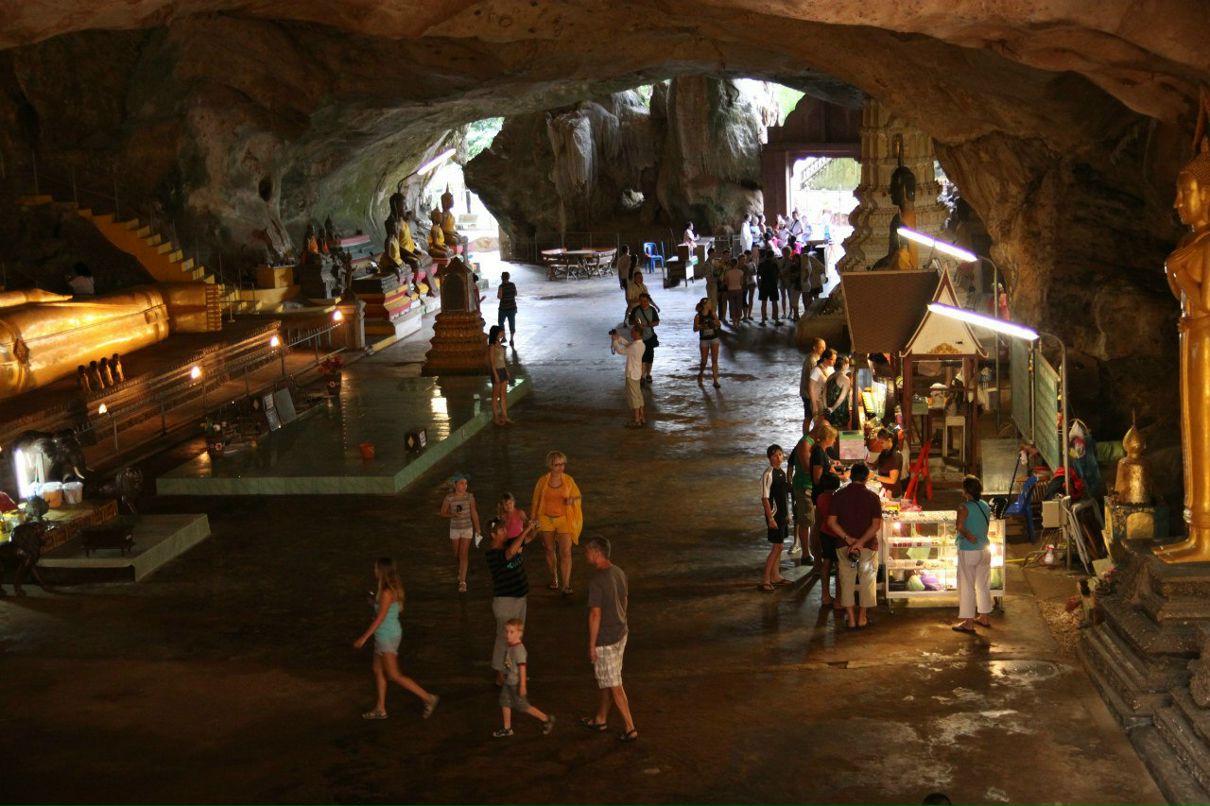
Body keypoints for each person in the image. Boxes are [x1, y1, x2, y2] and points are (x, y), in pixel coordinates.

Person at [354, 557, 440, 720]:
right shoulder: (388, 589)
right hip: (384, 635)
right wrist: (374, 603)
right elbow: (392, 611)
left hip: (387, 636)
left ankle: (428, 698)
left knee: (394, 675)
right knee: (378, 669)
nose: (374, 571)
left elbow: (380, 618)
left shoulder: (387, 592)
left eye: (376, 569)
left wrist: (364, 637)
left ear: (381, 571)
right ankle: (380, 708)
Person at [581, 536, 637, 742]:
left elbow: (595, 614)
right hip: (621, 633)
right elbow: (625, 600)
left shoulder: (597, 581)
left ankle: (630, 727)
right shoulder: (619, 572)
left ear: (597, 554)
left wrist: (592, 644)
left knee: (614, 684)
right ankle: (601, 718)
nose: (586, 554)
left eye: (588, 551)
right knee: (607, 679)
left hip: (606, 639)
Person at [826, 463, 882, 628]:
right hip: (867, 547)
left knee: (846, 580)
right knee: (867, 580)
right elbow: (876, 525)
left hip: (844, 546)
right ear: (866, 478)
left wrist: (848, 539)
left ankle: (850, 619)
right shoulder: (873, 497)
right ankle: (862, 617)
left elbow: (831, 522)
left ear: (851, 476)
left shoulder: (839, 495)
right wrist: (860, 542)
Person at [486, 505, 535, 684]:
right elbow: (511, 553)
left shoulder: (509, 543)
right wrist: (526, 531)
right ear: (493, 535)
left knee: (516, 638)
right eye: (501, 530)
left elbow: (529, 538)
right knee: (503, 638)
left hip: (519, 598)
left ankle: (513, 672)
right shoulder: (492, 554)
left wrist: (531, 524)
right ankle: (500, 674)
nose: (506, 531)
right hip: (506, 602)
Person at [530, 451, 583, 595]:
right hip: (546, 519)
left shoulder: (568, 480)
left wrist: (572, 500)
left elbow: (578, 496)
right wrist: (534, 518)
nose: (561, 467)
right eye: (557, 465)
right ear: (550, 466)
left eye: (562, 464)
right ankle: (554, 578)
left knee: (566, 552)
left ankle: (565, 584)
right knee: (549, 549)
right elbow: (536, 501)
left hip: (564, 519)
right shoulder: (542, 481)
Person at [494, 618, 556, 737]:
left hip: (515, 684)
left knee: (524, 706)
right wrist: (502, 674)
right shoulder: (510, 646)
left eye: (511, 632)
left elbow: (522, 668)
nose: (508, 634)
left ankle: (546, 718)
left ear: (519, 633)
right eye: (506, 631)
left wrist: (522, 685)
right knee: (504, 702)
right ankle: (507, 728)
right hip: (509, 682)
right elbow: (507, 663)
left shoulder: (519, 650)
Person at [952, 475, 994, 633]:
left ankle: (968, 622)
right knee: (983, 585)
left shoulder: (963, 507)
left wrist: (968, 536)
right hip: (984, 550)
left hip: (969, 550)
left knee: (967, 585)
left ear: (966, 491)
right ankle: (984, 617)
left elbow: (959, 526)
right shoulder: (985, 505)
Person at [440, 472, 481, 593]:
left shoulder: (470, 497)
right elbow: (442, 512)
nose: (465, 486)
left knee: (463, 554)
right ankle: (461, 570)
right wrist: (452, 514)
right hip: (455, 529)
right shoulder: (449, 498)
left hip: (467, 528)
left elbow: (474, 512)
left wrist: (477, 528)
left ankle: (462, 581)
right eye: (462, 483)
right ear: (455, 485)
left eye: (466, 483)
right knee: (456, 554)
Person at [759, 444, 791, 591]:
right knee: (777, 547)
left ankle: (776, 576)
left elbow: (783, 496)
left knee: (780, 546)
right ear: (769, 458)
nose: (778, 458)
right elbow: (765, 498)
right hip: (774, 516)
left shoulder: (781, 473)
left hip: (782, 515)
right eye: (774, 455)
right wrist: (770, 518)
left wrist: (788, 513)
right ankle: (765, 579)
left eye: (780, 454)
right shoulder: (768, 474)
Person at [813, 473, 844, 608]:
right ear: (837, 485)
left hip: (824, 533)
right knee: (839, 566)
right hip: (837, 535)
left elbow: (818, 520)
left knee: (826, 563)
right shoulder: (838, 498)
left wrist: (816, 536)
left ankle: (825, 596)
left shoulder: (820, 498)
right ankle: (838, 599)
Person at [610, 325, 647, 427]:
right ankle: (642, 417)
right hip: (637, 373)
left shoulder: (634, 347)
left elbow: (620, 351)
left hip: (631, 374)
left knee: (633, 397)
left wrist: (615, 341)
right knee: (638, 396)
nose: (631, 333)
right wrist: (619, 338)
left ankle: (636, 420)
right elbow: (628, 344)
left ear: (637, 333)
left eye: (632, 332)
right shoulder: (641, 345)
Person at [628, 293, 660, 385]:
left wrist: (649, 324)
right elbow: (630, 321)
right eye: (641, 301)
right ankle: (641, 376)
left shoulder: (652, 310)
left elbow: (657, 322)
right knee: (641, 358)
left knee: (649, 358)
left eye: (645, 301)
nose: (643, 303)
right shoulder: (636, 310)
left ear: (648, 301)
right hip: (639, 338)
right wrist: (636, 323)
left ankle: (648, 374)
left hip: (649, 337)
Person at [799, 337, 826, 434]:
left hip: (807, 392)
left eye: (824, 347)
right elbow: (812, 381)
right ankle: (807, 437)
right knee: (809, 417)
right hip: (808, 394)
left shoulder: (814, 358)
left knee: (810, 417)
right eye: (821, 347)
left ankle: (807, 437)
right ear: (815, 348)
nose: (823, 349)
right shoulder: (812, 361)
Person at [487, 326, 512, 426]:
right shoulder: (492, 346)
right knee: (495, 395)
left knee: (503, 395)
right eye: (501, 332)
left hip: (502, 370)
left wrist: (506, 371)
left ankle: (505, 416)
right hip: (496, 371)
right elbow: (492, 362)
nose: (503, 334)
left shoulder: (500, 344)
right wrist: (495, 374)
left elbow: (503, 360)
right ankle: (496, 417)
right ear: (496, 333)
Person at [694, 297, 722, 388]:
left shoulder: (713, 314)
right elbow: (694, 329)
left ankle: (715, 380)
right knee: (704, 361)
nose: (711, 305)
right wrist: (702, 326)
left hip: (714, 338)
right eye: (709, 303)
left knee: (714, 360)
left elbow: (719, 324)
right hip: (704, 339)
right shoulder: (698, 316)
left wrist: (714, 323)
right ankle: (701, 373)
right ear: (704, 305)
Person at [808, 349, 837, 429]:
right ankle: (813, 440)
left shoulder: (831, 369)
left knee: (825, 425)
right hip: (817, 401)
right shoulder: (816, 370)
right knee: (819, 425)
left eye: (835, 359)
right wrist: (814, 405)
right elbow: (810, 387)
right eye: (832, 359)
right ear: (825, 359)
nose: (834, 361)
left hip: (825, 401)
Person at [872, 428, 903, 498]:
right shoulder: (884, 452)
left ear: (889, 440)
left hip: (893, 493)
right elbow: (874, 465)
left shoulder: (895, 456)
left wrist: (874, 477)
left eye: (882, 442)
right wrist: (864, 463)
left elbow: (892, 480)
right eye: (879, 442)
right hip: (885, 489)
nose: (880, 445)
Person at [825, 355, 853, 429]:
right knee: (841, 432)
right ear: (844, 365)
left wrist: (827, 408)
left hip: (828, 410)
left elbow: (824, 394)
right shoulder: (846, 379)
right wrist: (832, 409)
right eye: (848, 364)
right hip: (840, 412)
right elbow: (841, 398)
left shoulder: (830, 377)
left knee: (831, 432)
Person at [756, 248, 781, 326]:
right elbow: (778, 275)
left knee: (764, 303)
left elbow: (758, 276)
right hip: (773, 285)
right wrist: (776, 283)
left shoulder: (761, 264)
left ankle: (763, 320)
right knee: (774, 302)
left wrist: (759, 285)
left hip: (764, 285)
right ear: (773, 256)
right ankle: (776, 320)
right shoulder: (774, 264)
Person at [496, 271, 518, 346]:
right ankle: (511, 339)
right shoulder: (512, 284)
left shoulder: (501, 286)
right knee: (512, 323)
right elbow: (515, 294)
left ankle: (504, 337)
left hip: (503, 308)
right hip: (512, 307)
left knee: (500, 322)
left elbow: (499, 296)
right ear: (508, 277)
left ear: (502, 278)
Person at [724, 258, 745, 326]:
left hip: (730, 290)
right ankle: (738, 323)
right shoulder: (741, 272)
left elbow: (726, 283)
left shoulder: (728, 273)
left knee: (732, 306)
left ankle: (733, 322)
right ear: (736, 264)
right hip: (739, 289)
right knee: (739, 305)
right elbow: (741, 282)